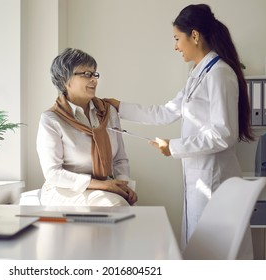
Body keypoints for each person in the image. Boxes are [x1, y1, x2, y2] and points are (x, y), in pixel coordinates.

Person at [108, 4, 254, 250]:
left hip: (214, 176)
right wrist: (119, 107)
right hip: (199, 174)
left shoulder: (219, 74)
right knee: (199, 243)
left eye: (177, 38)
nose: (175, 46)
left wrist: (173, 147)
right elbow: (166, 112)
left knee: (212, 247)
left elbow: (223, 134)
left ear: (194, 36)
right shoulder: (198, 73)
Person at [36, 47, 137, 206]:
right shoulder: (51, 119)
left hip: (104, 186)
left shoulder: (107, 112)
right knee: (114, 204)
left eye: (94, 74)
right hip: (66, 189)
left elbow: (119, 159)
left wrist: (123, 184)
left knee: (123, 201)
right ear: (65, 80)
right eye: (86, 74)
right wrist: (103, 185)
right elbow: (53, 174)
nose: (94, 80)